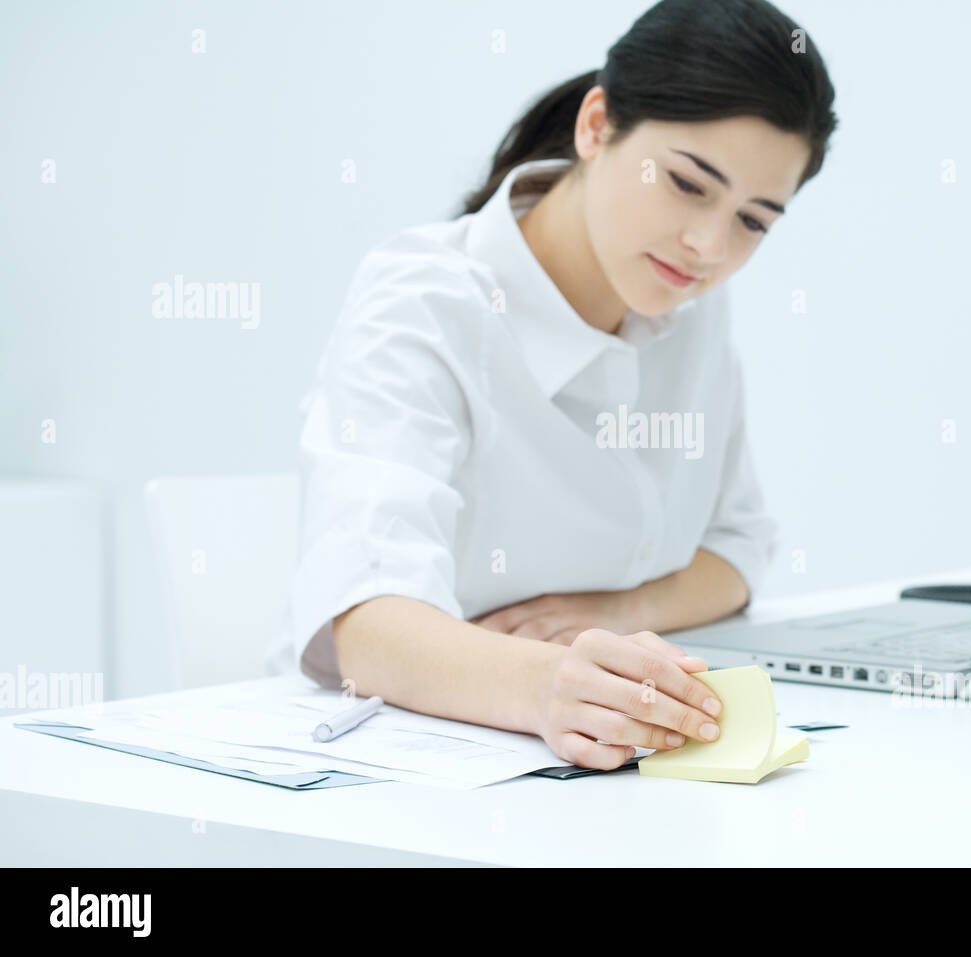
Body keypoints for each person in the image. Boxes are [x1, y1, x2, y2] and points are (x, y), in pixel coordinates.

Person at [283, 0, 838, 769]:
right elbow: (363, 622)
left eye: (754, 221)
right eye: (686, 183)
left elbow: (736, 551)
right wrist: (550, 682)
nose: (708, 244)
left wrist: (612, 615)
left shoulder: (691, 309)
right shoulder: (425, 300)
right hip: (404, 764)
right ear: (597, 125)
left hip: (601, 769)